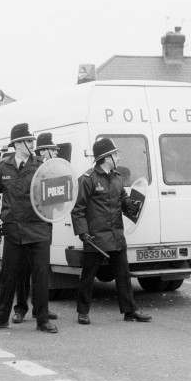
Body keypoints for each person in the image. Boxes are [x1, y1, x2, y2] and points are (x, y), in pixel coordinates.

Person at [0, 123, 58, 333]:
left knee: (41, 275)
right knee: (8, 276)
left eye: (32, 141)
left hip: (38, 229)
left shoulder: (42, 166)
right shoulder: (2, 168)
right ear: (16, 144)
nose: (31, 145)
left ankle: (42, 319)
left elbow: (57, 195)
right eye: (27, 141)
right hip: (14, 230)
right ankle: (0, 318)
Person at [70, 137, 152, 325]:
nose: (117, 157)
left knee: (123, 274)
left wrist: (133, 206)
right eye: (115, 154)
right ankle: (83, 312)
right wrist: (83, 233)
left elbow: (123, 201)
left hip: (116, 235)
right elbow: (78, 209)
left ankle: (130, 311)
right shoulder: (87, 179)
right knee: (88, 276)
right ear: (106, 157)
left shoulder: (117, 178)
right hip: (95, 237)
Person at [11, 132, 59, 324]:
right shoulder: (33, 164)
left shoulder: (47, 167)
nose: (55, 152)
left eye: (56, 150)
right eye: (52, 149)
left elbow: (56, 196)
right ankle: (20, 308)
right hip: (23, 225)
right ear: (43, 150)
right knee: (22, 270)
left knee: (41, 270)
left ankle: (41, 310)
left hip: (42, 224)